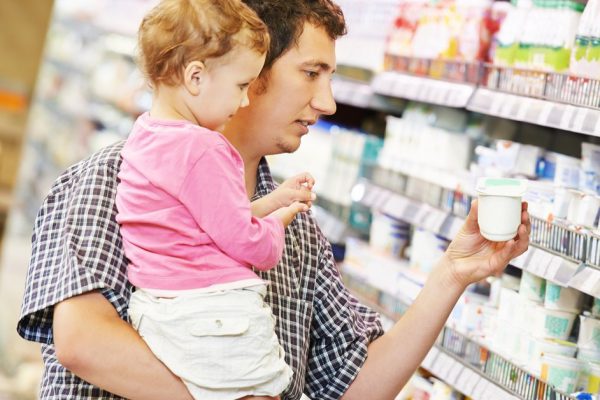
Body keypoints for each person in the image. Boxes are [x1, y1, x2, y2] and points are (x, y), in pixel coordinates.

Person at [17, 1, 531, 399]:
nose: (327, 102)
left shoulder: (292, 221)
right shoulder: (114, 178)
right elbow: (84, 342)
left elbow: (354, 385)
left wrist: (452, 274)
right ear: (247, 69)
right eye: (312, 73)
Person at [114, 0, 317, 399]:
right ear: (195, 77)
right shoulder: (206, 148)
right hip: (214, 316)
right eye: (241, 86)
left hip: (159, 313)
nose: (244, 102)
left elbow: (207, 221)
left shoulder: (145, 137)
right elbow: (247, 242)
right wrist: (279, 226)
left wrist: (275, 200)